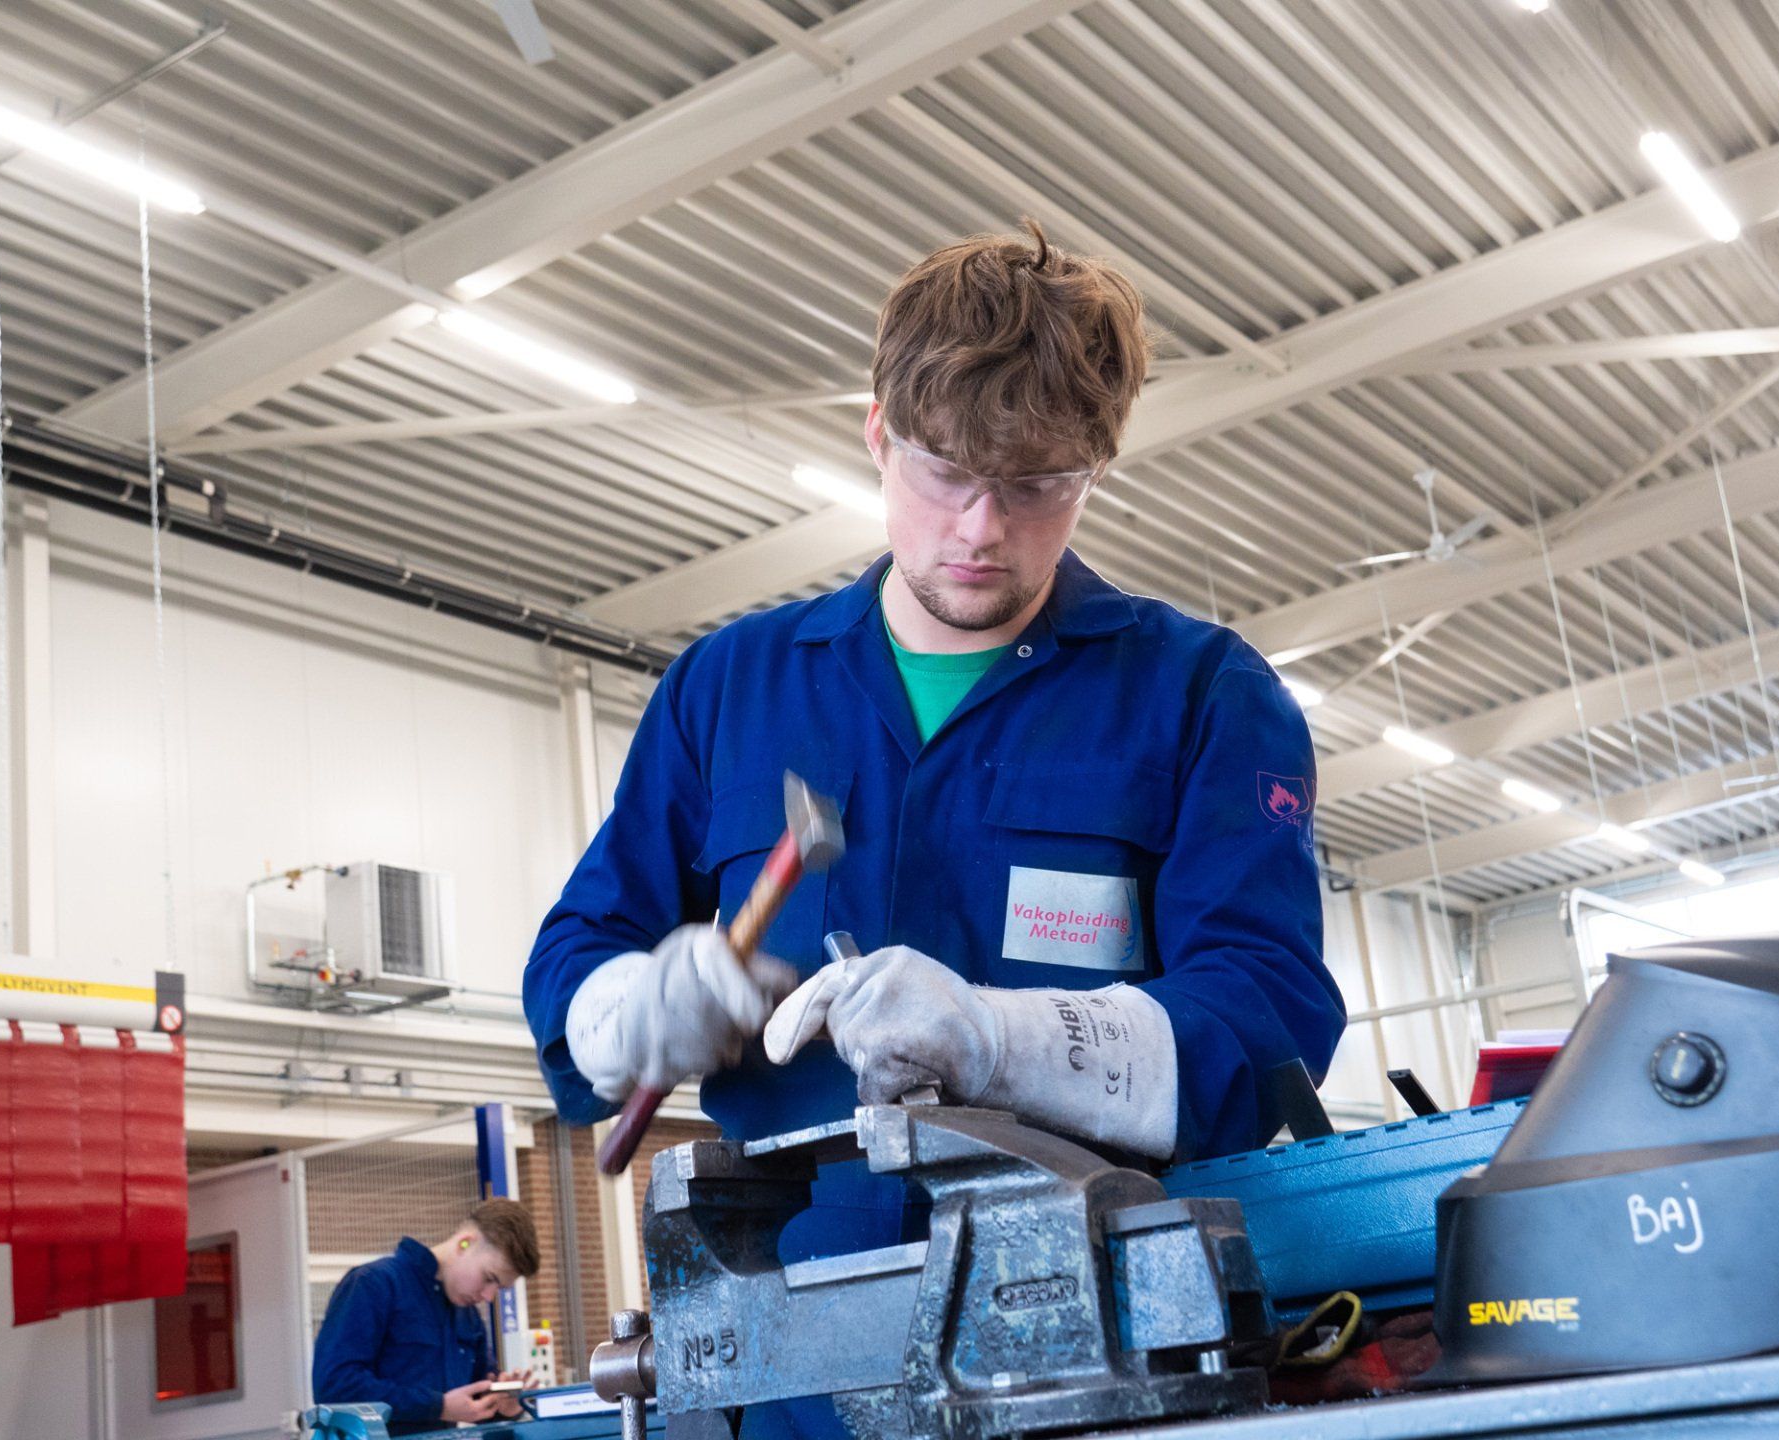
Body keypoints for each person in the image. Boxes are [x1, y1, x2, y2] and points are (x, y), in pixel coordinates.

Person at [524, 221, 1346, 1437]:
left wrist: (1003, 1039)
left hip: (1088, 1339)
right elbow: (579, 950)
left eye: (1034, 486)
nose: (978, 528)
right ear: (875, 433)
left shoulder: (1201, 695)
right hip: (780, 1341)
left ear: (1096, 470)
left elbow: (1269, 1012)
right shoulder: (728, 689)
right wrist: (628, 1009)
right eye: (943, 471)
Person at [311, 1198, 540, 1435]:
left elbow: (472, 1403)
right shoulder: (374, 1284)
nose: (489, 1296)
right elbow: (335, 1386)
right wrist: (437, 1407)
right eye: (489, 1278)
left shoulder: (469, 1319)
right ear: (465, 1243)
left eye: (499, 1288)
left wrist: (504, 1407)